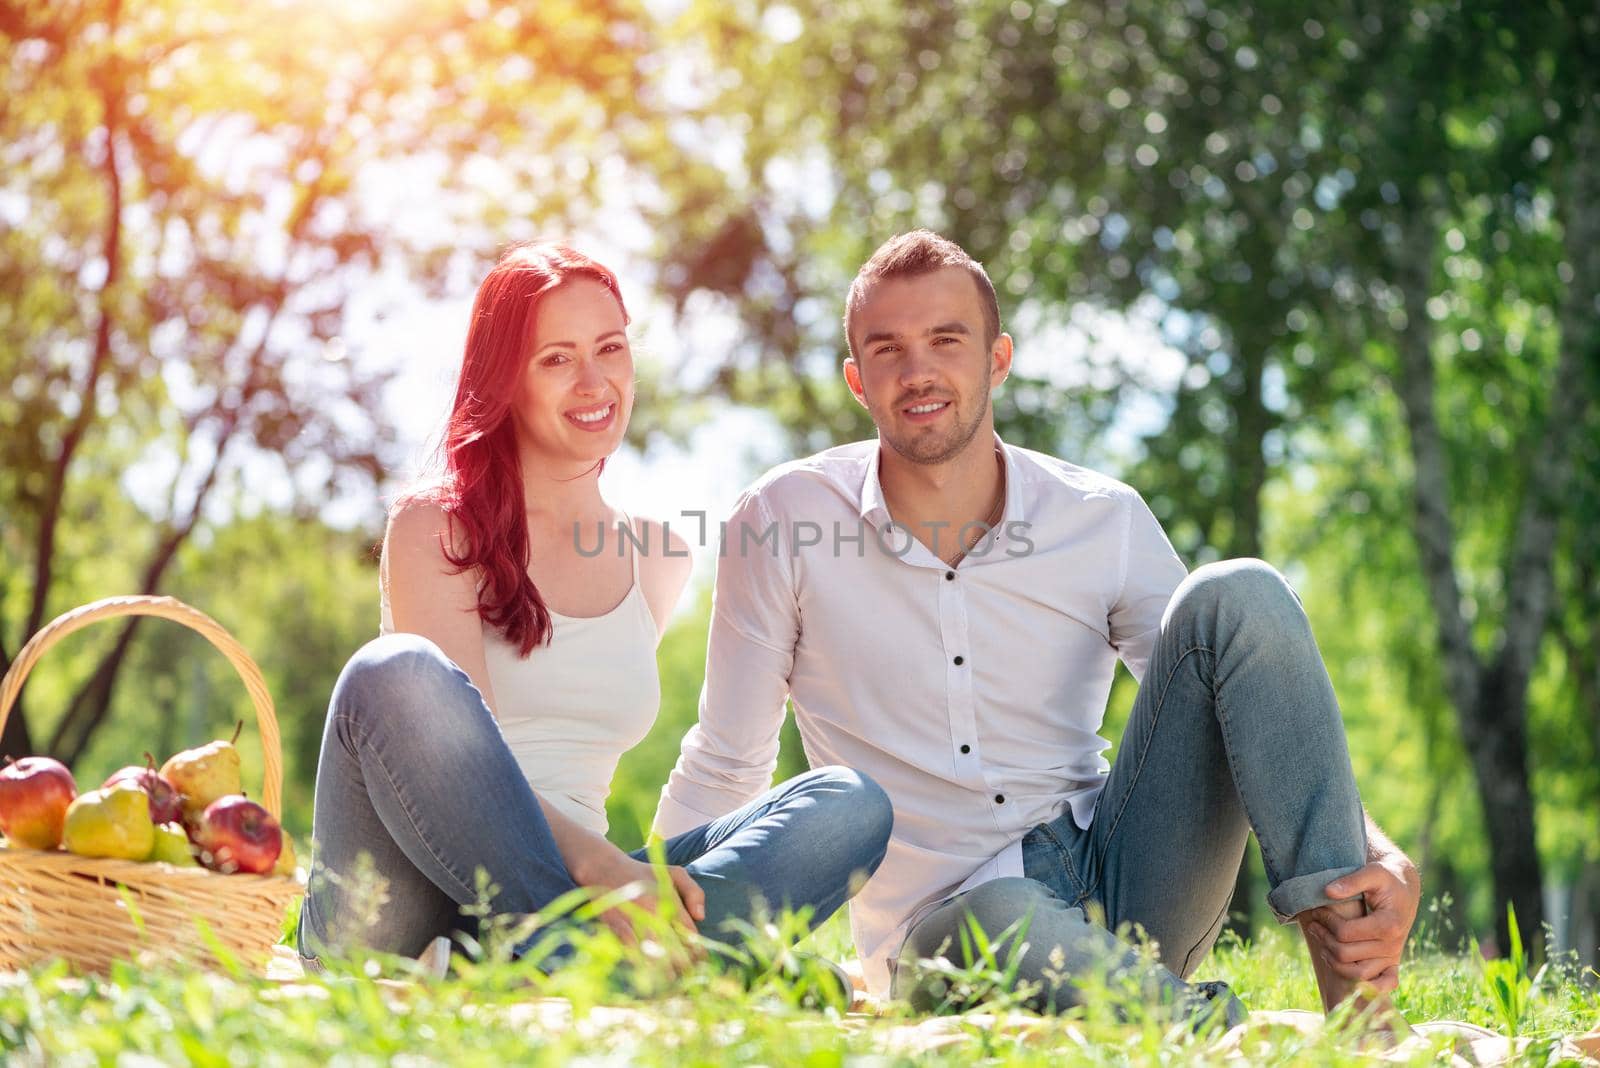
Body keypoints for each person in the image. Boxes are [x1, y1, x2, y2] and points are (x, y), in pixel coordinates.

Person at [653, 230, 1420, 1022]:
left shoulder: (1099, 516)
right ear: (857, 380)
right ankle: (1215, 1033)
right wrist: (649, 905)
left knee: (1240, 593)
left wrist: (1374, 848)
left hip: (1125, 882)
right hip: (945, 931)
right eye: (887, 350)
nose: (918, 372)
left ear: (998, 358)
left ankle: (1363, 1015)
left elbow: (1250, 694)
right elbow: (726, 757)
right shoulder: (782, 521)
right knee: (1001, 917)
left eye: (946, 341)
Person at [298, 242, 893, 974]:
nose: (594, 380)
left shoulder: (658, 554)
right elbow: (463, 767)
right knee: (395, 673)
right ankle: (678, 967)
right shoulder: (435, 528)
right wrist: (605, 873)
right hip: (406, 907)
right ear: (505, 381)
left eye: (610, 348)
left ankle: (579, 963)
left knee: (851, 802)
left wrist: (633, 880)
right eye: (556, 359)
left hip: (553, 910)